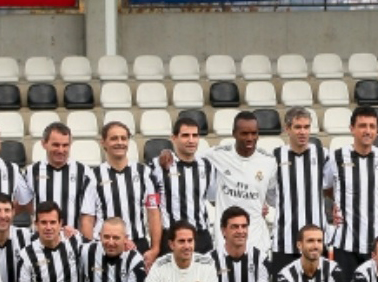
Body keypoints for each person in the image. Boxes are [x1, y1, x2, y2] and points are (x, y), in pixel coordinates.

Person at [329, 106, 378, 282]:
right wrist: (336, 204)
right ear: (352, 128)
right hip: (345, 242)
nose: (367, 131)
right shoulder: (336, 157)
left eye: (372, 126)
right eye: (362, 126)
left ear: (377, 130)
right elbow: (326, 187)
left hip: (375, 242)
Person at [203, 112, 279, 260]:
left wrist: (263, 203)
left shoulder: (269, 161)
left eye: (254, 133)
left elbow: (272, 197)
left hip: (256, 238)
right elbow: (188, 158)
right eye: (244, 133)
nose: (250, 138)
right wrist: (168, 153)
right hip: (225, 239)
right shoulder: (217, 155)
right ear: (234, 134)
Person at [88, 121, 163, 266]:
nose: (119, 142)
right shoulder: (93, 176)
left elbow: (153, 212)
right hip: (106, 246)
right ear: (103, 142)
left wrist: (155, 249)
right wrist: (91, 249)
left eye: (123, 138)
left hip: (138, 244)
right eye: (114, 138)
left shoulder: (144, 173)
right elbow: (88, 218)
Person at [270, 108, 333, 276]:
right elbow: (270, 194)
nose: (303, 132)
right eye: (298, 127)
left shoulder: (323, 155)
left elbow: (330, 187)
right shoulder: (275, 157)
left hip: (316, 241)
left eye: (306, 127)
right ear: (287, 129)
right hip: (284, 240)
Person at [25, 122, 96, 239]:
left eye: (65, 145)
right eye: (56, 145)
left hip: (72, 241)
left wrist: (87, 244)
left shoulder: (84, 172)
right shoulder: (31, 172)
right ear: (44, 144)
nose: (61, 150)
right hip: (40, 241)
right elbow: (24, 205)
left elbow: (87, 217)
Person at [156, 116, 216, 250]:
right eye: (185, 135)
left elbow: (214, 199)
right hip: (172, 237)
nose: (191, 140)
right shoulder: (160, 165)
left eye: (195, 135)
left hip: (201, 236)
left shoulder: (207, 166)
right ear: (174, 138)